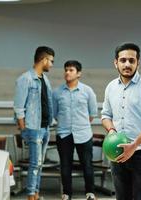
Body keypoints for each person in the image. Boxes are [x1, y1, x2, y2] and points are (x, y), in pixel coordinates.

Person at [101, 43, 141, 200]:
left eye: (131, 60)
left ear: (138, 63)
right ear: (116, 62)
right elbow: (105, 115)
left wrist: (133, 146)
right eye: (123, 60)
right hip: (118, 152)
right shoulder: (110, 87)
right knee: (122, 197)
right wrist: (112, 132)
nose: (127, 64)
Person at [14, 46, 55, 200]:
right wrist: (24, 128)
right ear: (43, 59)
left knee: (39, 164)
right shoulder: (25, 79)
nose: (51, 64)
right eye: (50, 61)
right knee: (34, 164)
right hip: (33, 128)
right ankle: (31, 195)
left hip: (44, 127)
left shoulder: (45, 79)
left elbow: (46, 102)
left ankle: (36, 194)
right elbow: (19, 107)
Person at [53, 60, 98, 200]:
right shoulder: (57, 92)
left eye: (71, 70)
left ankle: (90, 192)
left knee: (87, 165)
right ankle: (67, 194)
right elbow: (55, 113)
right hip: (64, 133)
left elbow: (92, 114)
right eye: (66, 70)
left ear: (79, 73)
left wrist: (81, 124)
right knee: (65, 165)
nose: (67, 72)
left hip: (83, 133)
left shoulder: (87, 91)